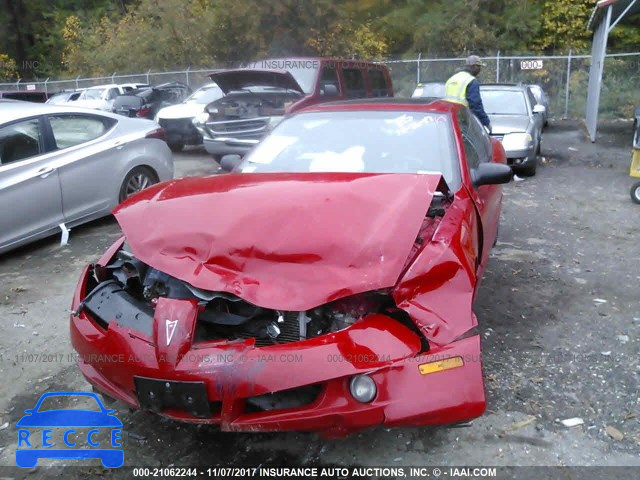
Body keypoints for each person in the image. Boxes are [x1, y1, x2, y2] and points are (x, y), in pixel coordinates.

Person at [444, 55, 492, 133]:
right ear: (473, 66)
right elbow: (476, 105)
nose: (480, 69)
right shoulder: (471, 81)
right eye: (479, 66)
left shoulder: (451, 79)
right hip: (463, 121)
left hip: (449, 120)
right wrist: (486, 123)